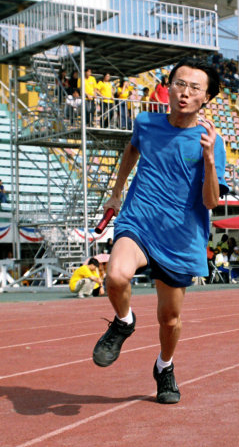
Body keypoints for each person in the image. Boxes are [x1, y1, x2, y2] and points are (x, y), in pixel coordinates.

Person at [92, 57, 227, 405]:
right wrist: (117, 191)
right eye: (179, 84)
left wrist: (210, 160)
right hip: (139, 220)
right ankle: (123, 321)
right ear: (168, 88)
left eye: (195, 88)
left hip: (180, 237)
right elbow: (132, 148)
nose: (184, 92)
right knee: (116, 277)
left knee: (170, 319)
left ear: (206, 98)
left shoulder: (211, 141)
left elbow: (211, 202)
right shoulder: (146, 123)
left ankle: (164, 366)